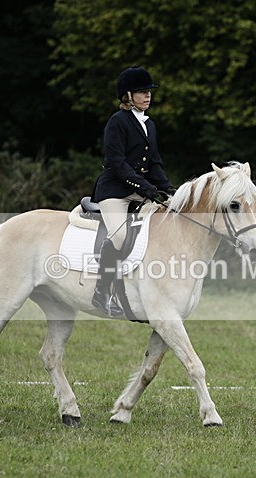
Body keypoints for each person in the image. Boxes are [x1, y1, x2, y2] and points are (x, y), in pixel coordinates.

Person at [91, 66, 176, 317]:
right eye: (141, 92)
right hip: (115, 190)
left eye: (149, 91)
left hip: (140, 190)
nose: (147, 96)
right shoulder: (117, 122)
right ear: (128, 95)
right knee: (119, 237)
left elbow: (155, 163)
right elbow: (117, 163)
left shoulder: (149, 124)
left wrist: (168, 190)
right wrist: (146, 187)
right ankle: (102, 291)